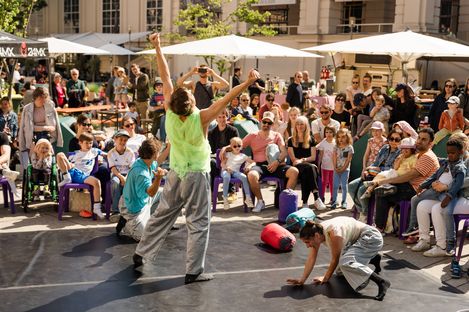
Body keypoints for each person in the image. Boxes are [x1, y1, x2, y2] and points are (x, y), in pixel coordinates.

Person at [132, 33, 260, 285]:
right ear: (190, 104)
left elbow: (166, 75)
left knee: (162, 215)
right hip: (196, 174)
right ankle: (194, 271)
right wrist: (247, 82)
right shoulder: (200, 117)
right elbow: (227, 98)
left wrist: (157, 46)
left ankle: (141, 252)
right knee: (198, 221)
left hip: (175, 172)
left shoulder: (169, 110)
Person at [287, 217, 390, 301]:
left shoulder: (333, 233)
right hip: (357, 241)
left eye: (307, 242)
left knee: (346, 263)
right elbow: (311, 258)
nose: (307, 246)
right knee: (341, 271)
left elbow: (335, 259)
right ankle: (373, 258)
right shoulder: (316, 231)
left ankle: (381, 282)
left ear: (316, 236)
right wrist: (302, 280)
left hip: (371, 237)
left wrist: (326, 278)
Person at [373, 128, 440, 233]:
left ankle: (379, 228)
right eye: (418, 138)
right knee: (382, 188)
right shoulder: (419, 154)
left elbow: (410, 175)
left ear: (430, 143)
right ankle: (385, 225)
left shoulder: (427, 156)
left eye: (424, 139)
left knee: (382, 193)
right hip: (409, 186)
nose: (419, 141)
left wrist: (387, 181)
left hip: (417, 190)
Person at [411, 138, 466, 256]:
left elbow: (458, 184)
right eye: (448, 153)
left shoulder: (460, 168)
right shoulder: (446, 163)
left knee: (445, 211)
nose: (450, 155)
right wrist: (423, 184)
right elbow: (434, 175)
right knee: (421, 205)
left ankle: (446, 245)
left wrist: (449, 196)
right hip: (438, 193)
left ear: (461, 152)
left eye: (453, 153)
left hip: (450, 196)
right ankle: (424, 239)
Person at [242, 111, 299, 212]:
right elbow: (238, 146)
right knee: (251, 175)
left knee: (294, 171)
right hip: (259, 165)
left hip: (275, 164)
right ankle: (260, 201)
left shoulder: (276, 135)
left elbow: (284, 151)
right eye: (264, 122)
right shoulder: (252, 135)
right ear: (261, 122)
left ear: (272, 124)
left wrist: (277, 162)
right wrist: (226, 150)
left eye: (269, 123)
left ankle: (285, 200)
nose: (266, 125)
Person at [116, 138, 167, 241]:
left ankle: (150, 221)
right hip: (132, 208)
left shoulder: (145, 161)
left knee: (166, 195)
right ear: (154, 155)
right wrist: (158, 178)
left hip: (141, 201)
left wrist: (169, 147)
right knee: (142, 237)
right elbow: (151, 193)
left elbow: (158, 161)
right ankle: (126, 224)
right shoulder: (141, 173)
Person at [348, 130, 402, 221]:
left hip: (385, 178)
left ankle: (365, 215)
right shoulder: (385, 148)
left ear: (401, 141)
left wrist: (379, 169)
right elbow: (376, 163)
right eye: (391, 139)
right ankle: (363, 211)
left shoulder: (400, 153)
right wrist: (368, 170)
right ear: (388, 139)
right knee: (351, 186)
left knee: (361, 190)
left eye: (397, 139)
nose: (393, 141)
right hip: (373, 174)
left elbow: (394, 170)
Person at [56, 132, 106, 219]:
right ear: (80, 143)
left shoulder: (94, 151)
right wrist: (69, 164)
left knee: (96, 182)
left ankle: (97, 208)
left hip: (82, 175)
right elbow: (63, 163)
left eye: (90, 143)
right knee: (60, 154)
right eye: (86, 143)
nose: (89, 145)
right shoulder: (75, 153)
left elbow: (107, 154)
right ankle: (66, 177)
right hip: (71, 172)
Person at [18, 87, 63, 173]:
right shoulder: (27, 109)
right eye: (40, 98)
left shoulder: (50, 107)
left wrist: (38, 127)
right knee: (34, 154)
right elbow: (27, 127)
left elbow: (53, 126)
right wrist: (45, 127)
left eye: (45, 98)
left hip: (48, 136)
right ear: (35, 98)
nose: (43, 101)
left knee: (48, 154)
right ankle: (34, 172)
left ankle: (48, 170)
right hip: (32, 136)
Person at [287, 116, 325, 210]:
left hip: (306, 165)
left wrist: (303, 160)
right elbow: (293, 159)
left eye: (302, 124)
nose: (300, 126)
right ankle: (316, 197)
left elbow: (313, 157)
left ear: (306, 126)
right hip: (296, 166)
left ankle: (305, 203)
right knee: (310, 168)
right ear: (295, 126)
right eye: (298, 124)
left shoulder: (311, 139)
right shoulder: (290, 140)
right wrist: (300, 161)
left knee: (307, 172)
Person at [208, 109, 239, 201]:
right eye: (219, 117)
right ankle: (213, 191)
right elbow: (211, 150)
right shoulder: (211, 133)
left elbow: (237, 145)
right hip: (217, 159)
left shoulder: (233, 130)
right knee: (211, 163)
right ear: (216, 119)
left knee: (230, 163)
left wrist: (225, 148)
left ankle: (231, 191)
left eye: (224, 117)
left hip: (230, 157)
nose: (222, 119)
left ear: (227, 117)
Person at [220, 137, 255, 210]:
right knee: (226, 177)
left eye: (239, 146)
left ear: (242, 146)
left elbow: (253, 162)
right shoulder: (228, 154)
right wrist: (227, 168)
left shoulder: (243, 156)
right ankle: (225, 198)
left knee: (244, 177)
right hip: (226, 171)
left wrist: (249, 166)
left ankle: (248, 198)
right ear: (231, 146)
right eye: (235, 146)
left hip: (235, 172)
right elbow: (222, 164)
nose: (237, 147)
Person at [107, 130, 135, 218]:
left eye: (125, 140)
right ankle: (115, 210)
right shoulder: (111, 153)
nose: (123, 142)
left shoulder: (130, 152)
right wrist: (121, 177)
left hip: (128, 174)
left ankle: (129, 209)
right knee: (115, 183)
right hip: (116, 174)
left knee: (129, 184)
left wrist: (126, 178)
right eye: (121, 139)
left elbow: (131, 168)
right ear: (115, 139)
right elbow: (113, 168)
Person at [331, 128, 353, 210]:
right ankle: (334, 201)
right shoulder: (335, 147)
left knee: (344, 186)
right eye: (339, 137)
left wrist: (343, 169)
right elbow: (333, 157)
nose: (341, 139)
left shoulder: (350, 147)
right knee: (335, 186)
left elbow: (348, 160)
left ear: (347, 137)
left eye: (343, 137)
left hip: (345, 170)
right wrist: (335, 167)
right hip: (336, 169)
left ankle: (344, 202)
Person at [316, 126, 336, 204]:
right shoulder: (323, 142)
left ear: (334, 133)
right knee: (324, 182)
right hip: (324, 166)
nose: (328, 134)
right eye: (326, 132)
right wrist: (318, 164)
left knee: (332, 182)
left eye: (330, 132)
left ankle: (333, 197)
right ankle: (322, 197)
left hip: (333, 167)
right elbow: (320, 153)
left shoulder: (335, 142)